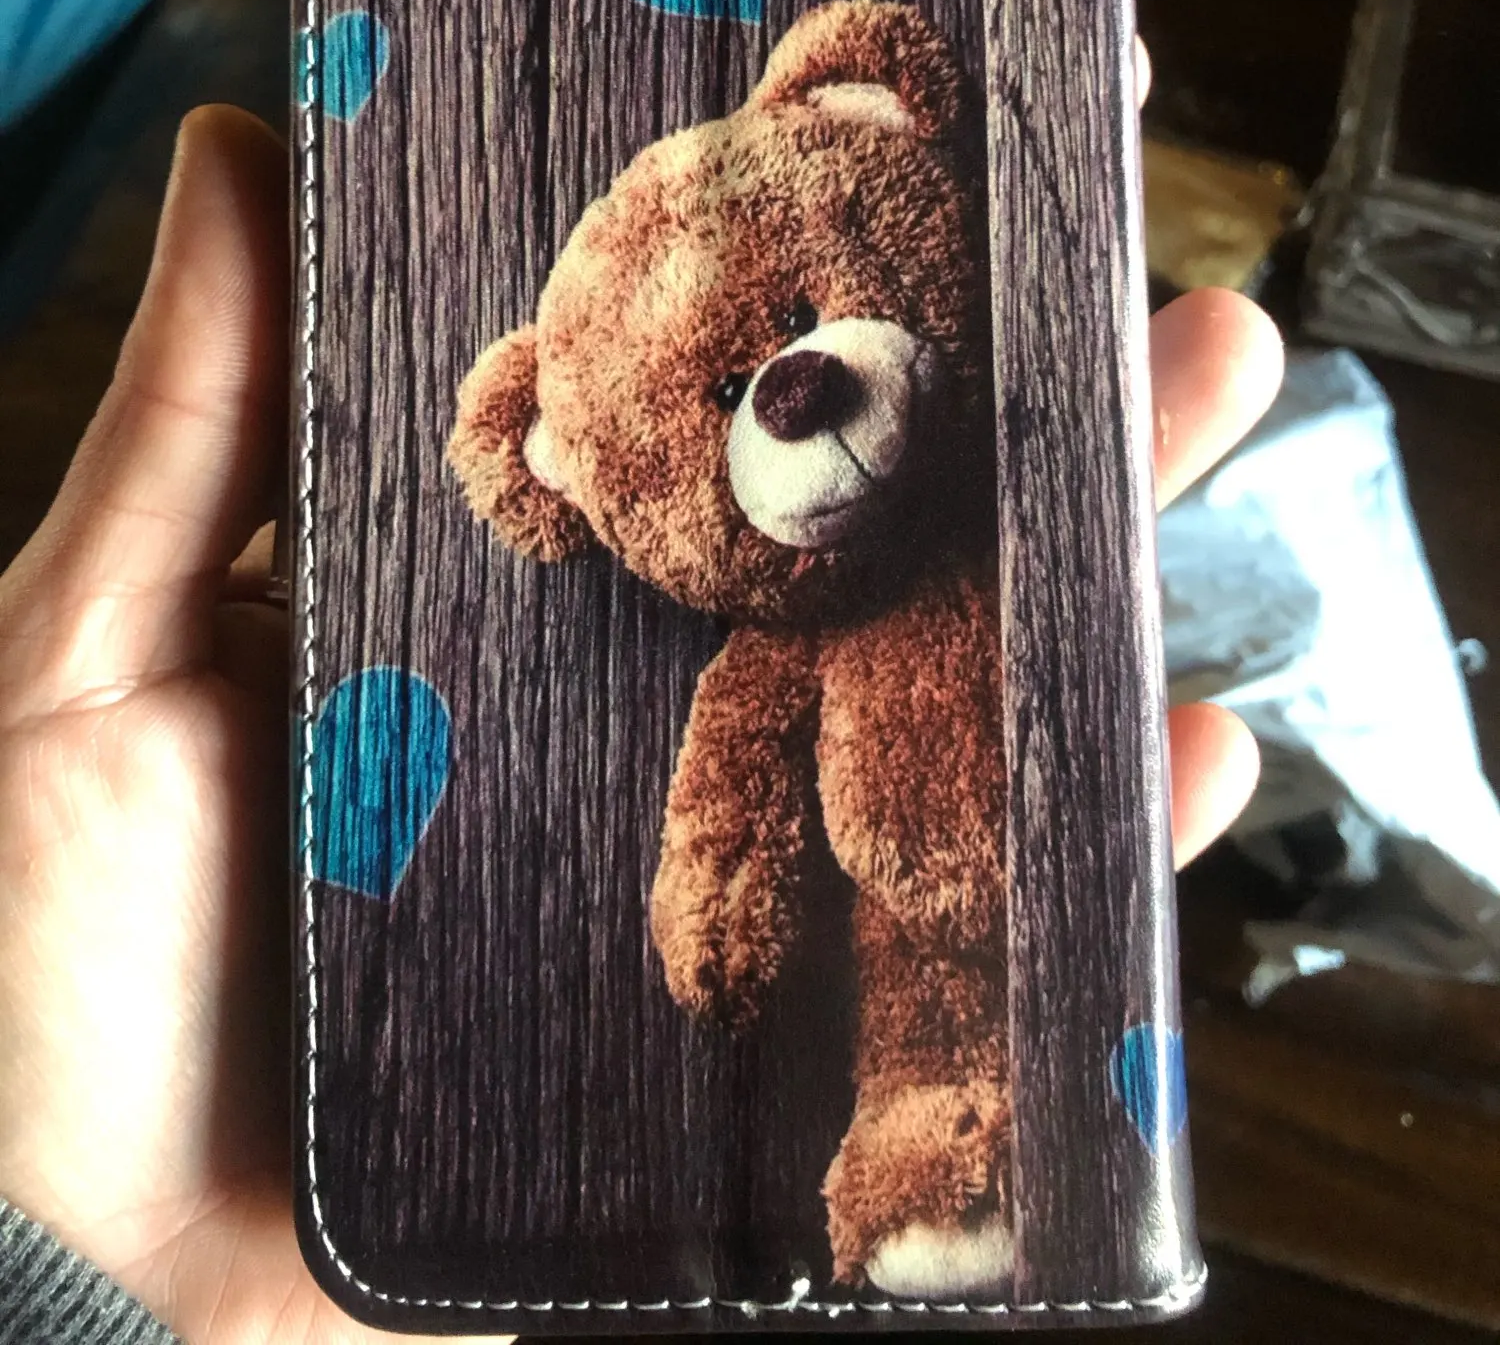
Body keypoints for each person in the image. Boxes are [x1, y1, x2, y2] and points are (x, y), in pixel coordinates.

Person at [0, 104, 1283, 1345]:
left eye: (799, 321)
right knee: (925, 993)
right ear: (552, 459)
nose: (794, 387)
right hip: (904, 905)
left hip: (1059, 842)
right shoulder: (770, 653)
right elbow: (729, 810)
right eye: (727, 388)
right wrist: (717, 911)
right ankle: (932, 1155)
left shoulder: (1021, 513)